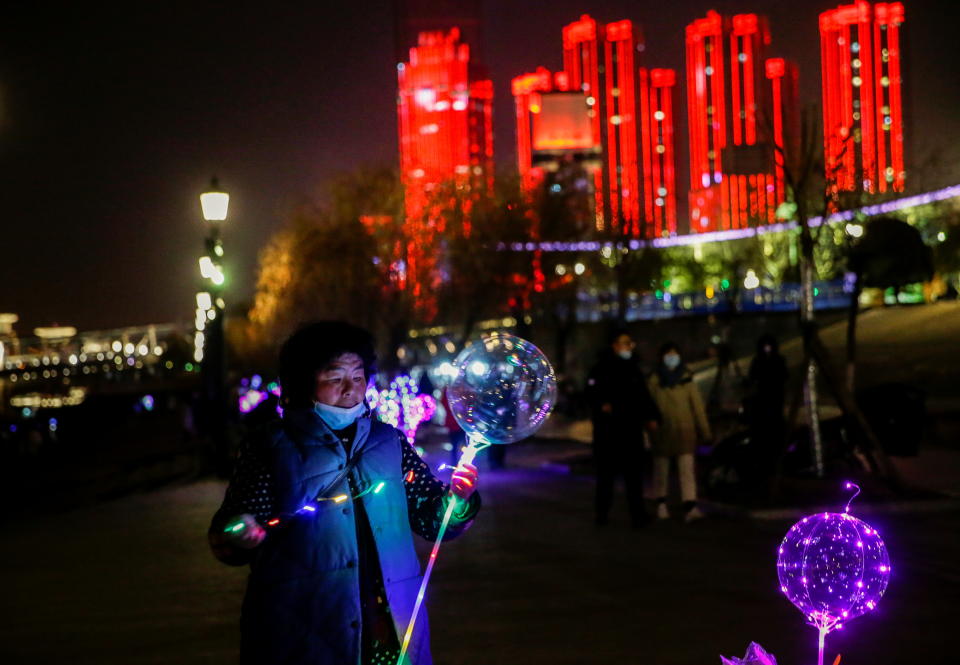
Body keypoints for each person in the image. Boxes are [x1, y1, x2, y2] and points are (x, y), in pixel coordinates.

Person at [208, 321, 481, 665]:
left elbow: (432, 518)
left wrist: (458, 502)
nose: (351, 388)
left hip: (391, 629)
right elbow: (236, 529)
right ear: (304, 382)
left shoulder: (389, 441)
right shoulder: (271, 447)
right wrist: (240, 532)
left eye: (358, 375)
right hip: (305, 632)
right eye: (335, 378)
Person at [586, 330, 661, 527]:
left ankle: (638, 514)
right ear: (615, 345)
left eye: (630, 343)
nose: (629, 347)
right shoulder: (601, 369)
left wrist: (651, 416)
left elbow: (643, 396)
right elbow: (591, 395)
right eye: (625, 343)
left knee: (634, 476)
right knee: (606, 476)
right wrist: (603, 405)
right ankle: (602, 514)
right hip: (608, 432)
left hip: (630, 429)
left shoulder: (633, 369)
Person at [647, 342, 712, 523]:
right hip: (663, 430)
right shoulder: (654, 380)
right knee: (661, 470)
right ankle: (661, 504)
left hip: (685, 430)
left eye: (675, 353)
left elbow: (697, 407)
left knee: (687, 470)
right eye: (668, 354)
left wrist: (705, 431)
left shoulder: (686, 378)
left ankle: (690, 506)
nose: (672, 357)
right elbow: (647, 407)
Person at [744, 333, 788, 484]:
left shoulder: (778, 360)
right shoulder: (758, 361)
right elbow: (752, 379)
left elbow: (783, 378)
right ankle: (763, 470)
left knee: (774, 440)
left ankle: (774, 468)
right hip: (762, 407)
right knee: (763, 441)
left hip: (774, 406)